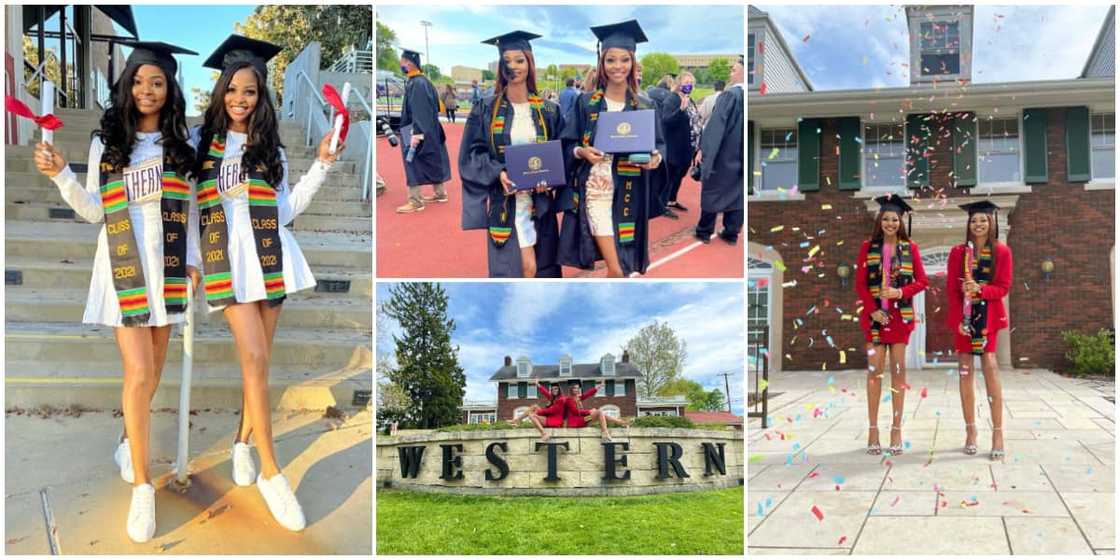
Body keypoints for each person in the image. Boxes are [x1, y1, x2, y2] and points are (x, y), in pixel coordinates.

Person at [34, 41, 199, 543]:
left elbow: (191, 209)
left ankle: (130, 438)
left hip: (168, 266)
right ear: (126, 85)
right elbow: (92, 211)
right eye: (139, 80)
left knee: (154, 372)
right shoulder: (108, 142)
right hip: (123, 264)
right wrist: (61, 175)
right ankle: (144, 487)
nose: (147, 90)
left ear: (170, 90)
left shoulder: (181, 143)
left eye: (158, 82)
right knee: (140, 371)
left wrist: (192, 258)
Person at [193, 34, 342, 532]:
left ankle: (240, 443)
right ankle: (272, 473)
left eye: (250, 92)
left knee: (258, 366)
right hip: (226, 260)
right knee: (254, 359)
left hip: (271, 257)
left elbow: (285, 210)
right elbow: (188, 209)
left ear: (261, 97)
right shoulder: (200, 145)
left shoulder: (268, 146)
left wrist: (322, 162)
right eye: (233, 90)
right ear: (220, 93)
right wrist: (191, 262)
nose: (240, 99)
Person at [559, 19, 665, 278]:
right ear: (602, 64)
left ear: (633, 63)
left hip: (630, 192)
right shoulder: (586, 103)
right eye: (611, 60)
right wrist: (581, 152)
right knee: (616, 268)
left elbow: (660, 145)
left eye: (624, 60)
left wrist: (656, 158)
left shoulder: (645, 105)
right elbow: (567, 143)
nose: (618, 66)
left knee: (623, 268)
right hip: (596, 189)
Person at [459, 31, 564, 278]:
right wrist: (499, 172)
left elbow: (562, 153)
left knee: (541, 269)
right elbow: (471, 155)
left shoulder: (549, 110)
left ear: (530, 63)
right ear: (500, 67)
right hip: (506, 201)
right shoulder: (486, 108)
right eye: (507, 61)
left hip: (539, 202)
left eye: (520, 60)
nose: (514, 66)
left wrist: (550, 180)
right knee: (524, 268)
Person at [855, 195, 928, 456]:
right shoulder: (868, 247)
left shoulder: (910, 248)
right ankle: (873, 429)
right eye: (885, 218)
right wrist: (873, 310)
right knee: (874, 373)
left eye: (894, 219)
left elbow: (922, 281)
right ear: (879, 220)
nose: (890, 222)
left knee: (898, 371)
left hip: (899, 318)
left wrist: (899, 293)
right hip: (875, 319)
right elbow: (860, 283)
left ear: (901, 221)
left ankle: (896, 429)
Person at [946, 200, 1012, 460]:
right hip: (964, 319)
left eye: (983, 220)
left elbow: (1003, 288)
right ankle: (971, 431)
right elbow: (952, 290)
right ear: (969, 224)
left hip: (989, 319)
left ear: (991, 222)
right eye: (974, 220)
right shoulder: (957, 253)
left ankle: (998, 432)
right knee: (965, 372)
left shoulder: (1002, 252)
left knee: (991, 366)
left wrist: (980, 290)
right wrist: (957, 322)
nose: (978, 224)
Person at [396, 48, 453, 213]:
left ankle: (415, 201)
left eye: (402, 61)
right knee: (433, 158)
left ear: (409, 63)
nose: (401, 64)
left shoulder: (417, 83)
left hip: (414, 128)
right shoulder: (424, 81)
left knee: (411, 162)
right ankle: (440, 193)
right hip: (431, 127)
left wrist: (416, 133)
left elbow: (419, 110)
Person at [695, 57, 744, 245]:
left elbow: (716, 128)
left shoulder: (730, 95)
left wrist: (704, 151)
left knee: (713, 190)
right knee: (736, 196)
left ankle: (704, 231)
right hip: (741, 159)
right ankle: (731, 233)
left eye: (733, 70)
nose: (730, 73)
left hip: (723, 156)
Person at [661, 71, 702, 216]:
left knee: (680, 175)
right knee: (671, 176)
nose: (688, 85)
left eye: (691, 83)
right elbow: (666, 121)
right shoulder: (672, 100)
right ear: (679, 84)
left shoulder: (689, 100)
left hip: (688, 147)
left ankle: (672, 199)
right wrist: (680, 110)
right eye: (686, 82)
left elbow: (695, 120)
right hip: (675, 146)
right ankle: (662, 204)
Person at [562, 381, 630, 441]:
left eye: (577, 388)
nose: (576, 390)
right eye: (574, 388)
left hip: (584, 419)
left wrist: (599, 386)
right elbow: (575, 412)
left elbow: (588, 394)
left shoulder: (577, 398)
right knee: (599, 412)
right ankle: (605, 432)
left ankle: (620, 422)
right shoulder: (569, 399)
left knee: (601, 414)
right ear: (571, 389)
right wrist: (590, 411)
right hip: (578, 422)